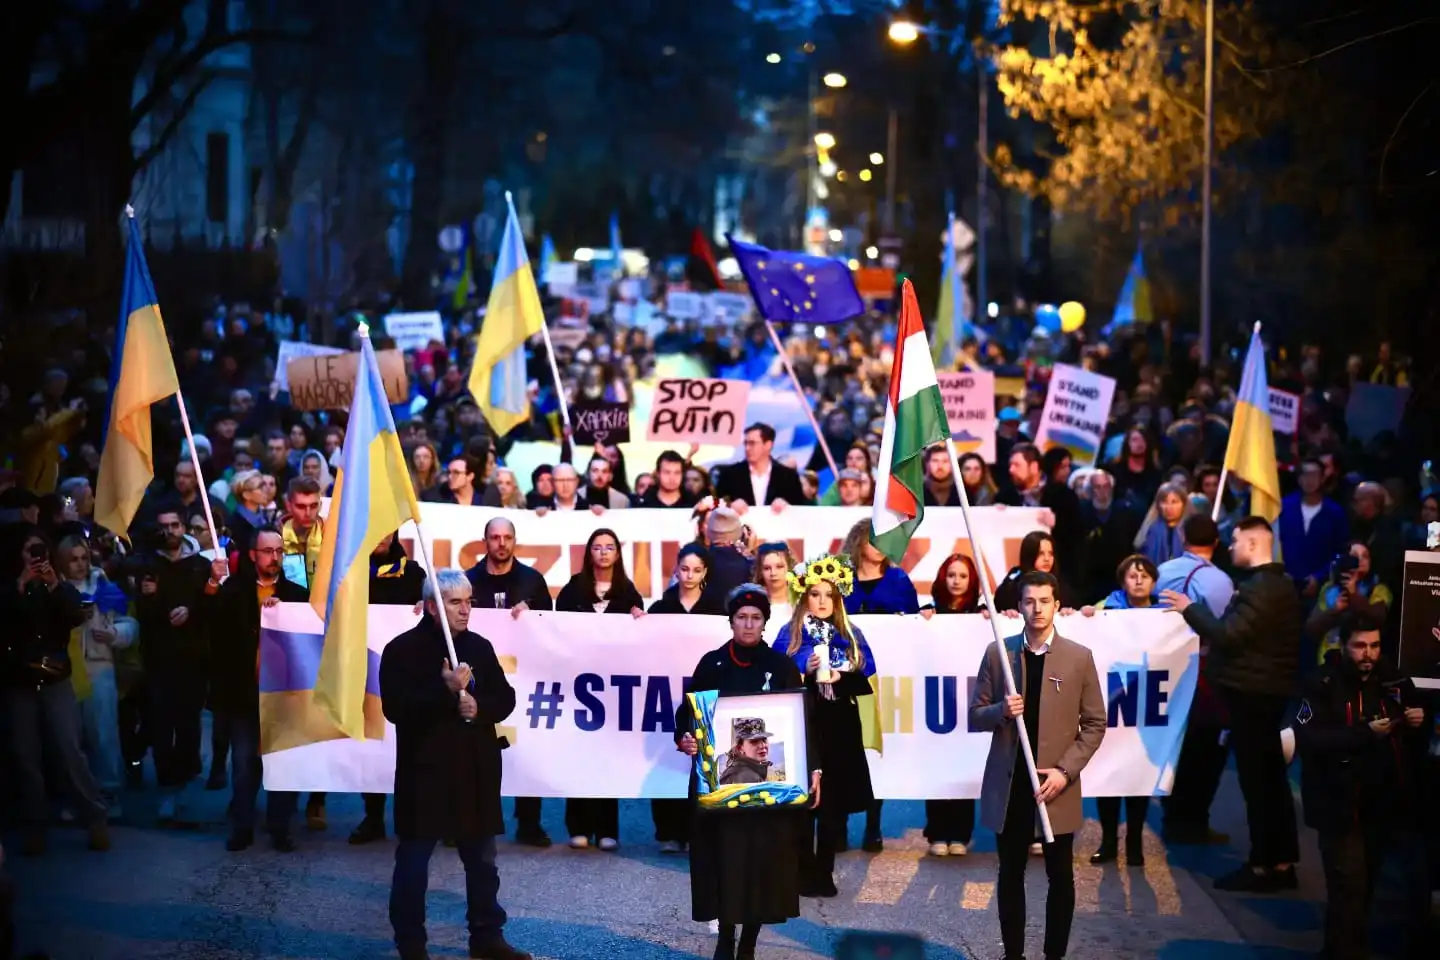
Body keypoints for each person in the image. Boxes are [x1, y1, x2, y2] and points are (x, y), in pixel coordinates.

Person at [380, 568, 529, 960]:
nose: (465, 610)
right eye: (454, 602)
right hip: (423, 773)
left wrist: (479, 707)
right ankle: (411, 945)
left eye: (468, 601)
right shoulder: (401, 650)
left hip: (474, 770)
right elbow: (396, 708)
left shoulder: (479, 647)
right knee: (413, 865)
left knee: (482, 863)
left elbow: (505, 698)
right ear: (431, 607)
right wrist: (444, 690)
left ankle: (487, 937)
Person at [969, 571, 1106, 960]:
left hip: (1055, 787)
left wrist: (1065, 771)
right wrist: (1000, 711)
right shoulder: (999, 654)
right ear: (1018, 606)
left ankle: (1054, 956)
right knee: (1010, 875)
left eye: (1045, 601)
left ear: (1057, 604)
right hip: (1010, 786)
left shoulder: (1079, 657)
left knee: (1060, 876)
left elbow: (1095, 724)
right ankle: (1013, 955)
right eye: (1029, 601)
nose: (1037, 609)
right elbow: (975, 715)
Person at [1161, 516, 1302, 892]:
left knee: (1261, 786)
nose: (1230, 546)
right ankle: (1280, 861)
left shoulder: (1261, 589)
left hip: (1255, 698)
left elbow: (1228, 635)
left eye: (1237, 540)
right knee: (1269, 783)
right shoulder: (1275, 585)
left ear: (1254, 545)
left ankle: (1265, 865)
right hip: (1261, 695)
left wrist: (1189, 608)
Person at [677, 584, 816, 960]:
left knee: (763, 866)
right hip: (721, 787)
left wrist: (813, 768)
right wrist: (686, 738)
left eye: (756, 618)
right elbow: (686, 715)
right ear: (731, 621)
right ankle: (725, 936)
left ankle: (750, 943)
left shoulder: (781, 667)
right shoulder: (711, 663)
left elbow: (804, 722)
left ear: (764, 623)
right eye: (742, 618)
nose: (749, 625)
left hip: (770, 791)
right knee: (723, 862)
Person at [1295, 616, 1429, 960]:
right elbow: (1309, 738)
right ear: (1343, 645)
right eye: (1359, 646)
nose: (1368, 654)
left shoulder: (1395, 681)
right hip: (1338, 804)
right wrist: (1364, 734)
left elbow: (1414, 740)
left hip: (1382, 803)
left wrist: (1417, 721)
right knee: (1348, 886)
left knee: (1367, 887)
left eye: (1374, 645)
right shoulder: (1322, 684)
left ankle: (1342, 949)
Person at [1, 526, 110, 855]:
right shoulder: (10, 589)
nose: (36, 559)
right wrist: (21, 585)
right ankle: (36, 826)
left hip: (56, 678)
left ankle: (94, 817)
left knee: (68, 749)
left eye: (40, 552)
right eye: (29, 552)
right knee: (26, 755)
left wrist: (54, 585)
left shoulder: (58, 587)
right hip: (19, 681)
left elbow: (77, 614)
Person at [772, 555, 875, 898]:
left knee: (832, 805)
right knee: (803, 801)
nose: (821, 601)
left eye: (828, 595)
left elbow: (867, 667)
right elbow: (775, 670)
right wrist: (804, 669)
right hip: (804, 720)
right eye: (815, 594)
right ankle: (802, 868)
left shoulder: (849, 631)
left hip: (839, 724)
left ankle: (824, 871)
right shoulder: (791, 632)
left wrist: (842, 672)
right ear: (804, 597)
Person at [204, 528, 308, 852]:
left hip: (283, 698)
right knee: (245, 763)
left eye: (279, 552)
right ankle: (243, 828)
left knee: (282, 765)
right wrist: (211, 584)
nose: (274, 558)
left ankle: (280, 829)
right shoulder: (233, 590)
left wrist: (285, 611)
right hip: (243, 695)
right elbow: (209, 623)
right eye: (267, 551)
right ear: (253, 555)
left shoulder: (296, 594)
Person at [464, 517, 553, 846]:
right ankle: (463, 820)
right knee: (471, 750)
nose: (501, 543)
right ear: (484, 541)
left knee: (525, 748)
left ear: (515, 541)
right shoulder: (468, 580)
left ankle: (529, 823)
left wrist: (532, 611)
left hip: (522, 674)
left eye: (507, 537)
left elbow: (552, 622)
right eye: (494, 537)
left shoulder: (532, 580)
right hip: (479, 674)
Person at [555, 528, 645, 850]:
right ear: (588, 552)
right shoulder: (571, 590)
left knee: (608, 756)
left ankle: (608, 828)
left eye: (609, 547)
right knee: (579, 754)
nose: (603, 553)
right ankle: (577, 826)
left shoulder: (628, 592)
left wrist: (639, 617)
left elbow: (638, 637)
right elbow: (555, 630)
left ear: (618, 553)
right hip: (579, 685)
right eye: (597, 547)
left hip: (613, 688)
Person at [1154, 515, 1236, 845]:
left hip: (1164, 669)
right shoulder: (1222, 582)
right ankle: (1192, 820)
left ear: (1183, 537)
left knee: (1175, 740)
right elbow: (1225, 630)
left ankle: (1173, 811)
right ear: (1216, 543)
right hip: (1204, 673)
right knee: (1206, 749)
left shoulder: (1162, 572)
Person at [347, 531, 429, 846]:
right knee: (372, 743)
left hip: (407, 671)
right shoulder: (352, 568)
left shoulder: (412, 572)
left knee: (410, 746)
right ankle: (373, 816)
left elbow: (432, 609)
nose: (380, 535)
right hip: (365, 669)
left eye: (387, 528)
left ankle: (416, 818)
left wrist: (426, 602)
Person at [133, 508, 213, 822]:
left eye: (175, 525)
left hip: (192, 658)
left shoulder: (201, 565)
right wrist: (150, 598)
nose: (169, 531)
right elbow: (140, 611)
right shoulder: (148, 565)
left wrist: (192, 610)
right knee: (161, 724)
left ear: (184, 528)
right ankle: (167, 785)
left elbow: (211, 607)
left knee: (189, 723)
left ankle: (184, 778)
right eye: (163, 526)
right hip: (158, 658)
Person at [1080, 555, 1158, 866]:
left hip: (1144, 707)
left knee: (1138, 778)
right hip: (1112, 706)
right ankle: (1109, 842)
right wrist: (1084, 615)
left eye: (1145, 575)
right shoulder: (1106, 607)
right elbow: (1082, 625)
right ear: (1122, 581)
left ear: (1154, 581)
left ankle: (1135, 843)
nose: (1138, 580)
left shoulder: (1166, 614)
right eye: (1131, 575)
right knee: (1110, 777)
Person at [926, 553, 982, 857]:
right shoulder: (930, 610)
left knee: (963, 763)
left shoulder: (982, 612)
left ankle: (960, 834)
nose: (956, 581)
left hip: (968, 700)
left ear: (971, 580)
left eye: (962, 576)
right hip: (936, 700)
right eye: (951, 575)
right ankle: (936, 833)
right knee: (938, 767)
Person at [1306, 540, 1393, 666]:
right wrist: (1334, 610)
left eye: (1365, 556)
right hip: (1329, 659)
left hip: (1365, 658)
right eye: (1354, 556)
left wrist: (1354, 595)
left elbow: (1378, 618)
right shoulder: (1330, 588)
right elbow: (1311, 628)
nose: (1359, 560)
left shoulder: (1378, 590)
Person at [1278, 458, 1350, 606]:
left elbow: (1340, 551)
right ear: (1298, 479)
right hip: (1284, 582)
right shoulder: (1284, 506)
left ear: (1323, 478)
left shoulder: (1335, 512)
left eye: (1314, 475)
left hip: (1319, 587)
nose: (1309, 480)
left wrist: (1319, 577)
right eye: (1305, 475)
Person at [713, 423, 808, 511]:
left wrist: (788, 506)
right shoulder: (730, 475)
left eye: (752, 443)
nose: (747, 448)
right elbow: (715, 504)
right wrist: (730, 506)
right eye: (745, 443)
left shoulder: (788, 476)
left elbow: (801, 508)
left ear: (768, 445)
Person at [752, 542, 795, 627]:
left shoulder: (802, 602)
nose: (773, 573)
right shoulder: (752, 604)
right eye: (767, 568)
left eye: (779, 567)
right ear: (760, 571)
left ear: (789, 568)